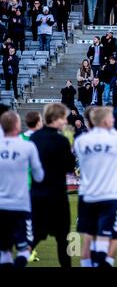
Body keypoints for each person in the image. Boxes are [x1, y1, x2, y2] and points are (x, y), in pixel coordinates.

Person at [74, 106, 117, 267]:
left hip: (87, 194)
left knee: (90, 235)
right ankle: (103, 263)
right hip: (108, 194)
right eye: (111, 118)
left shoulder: (81, 140)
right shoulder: (114, 139)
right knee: (106, 235)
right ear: (105, 121)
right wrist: (111, 131)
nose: (113, 120)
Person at [30, 103, 76, 267]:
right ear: (56, 118)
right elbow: (70, 168)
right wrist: (69, 143)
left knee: (33, 237)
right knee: (64, 239)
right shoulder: (62, 140)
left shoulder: (33, 138)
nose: (65, 121)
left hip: (37, 195)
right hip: (57, 196)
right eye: (63, 118)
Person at [0, 111, 44, 268]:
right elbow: (39, 176)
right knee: (25, 248)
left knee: (4, 250)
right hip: (21, 204)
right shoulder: (28, 146)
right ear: (17, 125)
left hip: (1, 204)